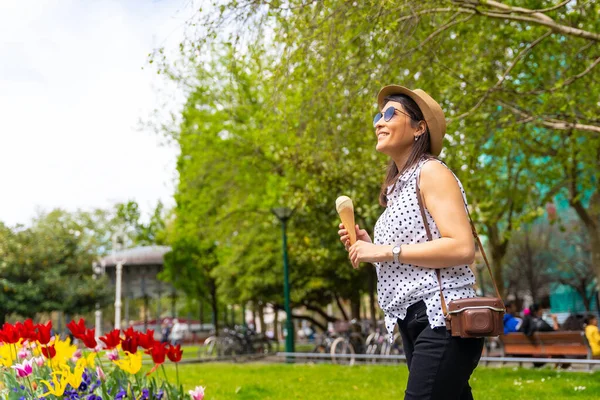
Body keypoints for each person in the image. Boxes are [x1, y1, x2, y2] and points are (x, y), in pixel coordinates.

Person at [338, 85, 483, 400]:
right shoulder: (397, 190)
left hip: (442, 318)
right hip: (412, 319)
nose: (379, 121)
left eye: (390, 113)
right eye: (379, 114)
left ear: (420, 128)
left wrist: (384, 251)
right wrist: (369, 246)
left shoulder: (431, 172)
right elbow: (406, 253)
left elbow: (461, 247)